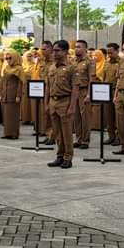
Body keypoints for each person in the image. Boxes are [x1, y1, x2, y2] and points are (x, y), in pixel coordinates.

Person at [46, 40, 79, 169]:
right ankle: (59, 156)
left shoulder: (72, 68)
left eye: (57, 50)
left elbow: (75, 88)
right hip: (53, 102)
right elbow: (48, 87)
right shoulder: (52, 67)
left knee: (66, 133)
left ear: (65, 51)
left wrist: (72, 106)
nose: (54, 53)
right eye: (54, 50)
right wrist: (46, 103)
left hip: (65, 101)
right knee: (57, 132)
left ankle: (68, 157)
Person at [73, 40, 95, 149]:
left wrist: (89, 95)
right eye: (75, 47)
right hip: (74, 92)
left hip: (84, 91)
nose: (76, 49)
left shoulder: (89, 62)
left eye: (79, 47)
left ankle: (85, 141)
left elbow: (92, 79)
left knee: (85, 117)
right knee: (76, 117)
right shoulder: (73, 62)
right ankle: (78, 138)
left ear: (85, 48)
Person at [0, 49, 25, 140]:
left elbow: (20, 83)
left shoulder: (19, 68)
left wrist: (18, 95)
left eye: (10, 58)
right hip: (5, 94)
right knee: (6, 115)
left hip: (13, 95)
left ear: (14, 58)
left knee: (13, 115)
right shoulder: (6, 68)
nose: (8, 60)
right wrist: (1, 93)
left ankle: (14, 133)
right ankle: (7, 133)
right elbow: (2, 81)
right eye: (6, 58)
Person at [36, 41, 55, 145]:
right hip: (42, 89)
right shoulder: (42, 61)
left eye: (44, 49)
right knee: (45, 114)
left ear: (50, 49)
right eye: (41, 49)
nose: (42, 51)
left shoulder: (55, 61)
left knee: (52, 114)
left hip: (52, 90)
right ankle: (48, 134)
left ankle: (53, 136)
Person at [103, 43, 120, 146]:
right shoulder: (107, 63)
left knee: (118, 117)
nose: (109, 55)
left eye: (111, 52)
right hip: (106, 90)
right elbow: (104, 77)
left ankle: (119, 137)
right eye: (108, 52)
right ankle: (111, 136)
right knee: (108, 115)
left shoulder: (121, 63)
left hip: (116, 90)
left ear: (117, 51)